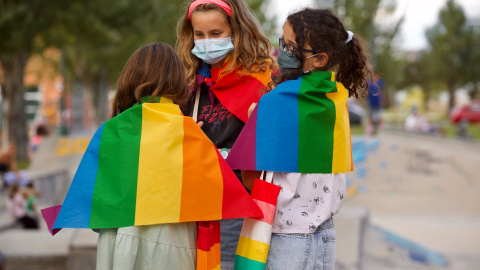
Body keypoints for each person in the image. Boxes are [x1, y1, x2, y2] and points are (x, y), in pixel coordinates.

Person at [41, 43, 261, 270]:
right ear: (177, 83)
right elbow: (219, 201)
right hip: (173, 248)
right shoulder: (189, 134)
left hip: (117, 245)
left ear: (129, 80)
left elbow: (96, 211)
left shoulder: (110, 132)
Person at [227, 8, 374, 270]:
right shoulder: (337, 100)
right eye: (282, 42)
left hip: (285, 238)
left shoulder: (274, 103)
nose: (281, 51)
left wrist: (254, 123)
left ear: (319, 59)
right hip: (325, 234)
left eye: (290, 46)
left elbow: (251, 180)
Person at [176, 0, 274, 268]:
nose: (206, 42)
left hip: (239, 205)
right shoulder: (186, 82)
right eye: (199, 34)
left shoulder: (261, 79)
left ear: (236, 31)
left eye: (216, 34)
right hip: (195, 203)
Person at [366, 69, 383, 135]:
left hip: (378, 103)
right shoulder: (369, 83)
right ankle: (370, 131)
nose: (375, 77)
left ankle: (381, 131)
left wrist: (382, 101)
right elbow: (367, 92)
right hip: (371, 103)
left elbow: (381, 92)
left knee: (379, 117)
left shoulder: (380, 82)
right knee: (371, 118)